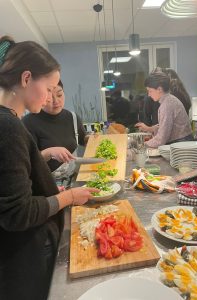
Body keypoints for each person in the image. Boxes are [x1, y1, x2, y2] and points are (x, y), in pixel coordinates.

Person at [0, 36, 98, 300]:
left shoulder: (11, 122)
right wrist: (68, 197)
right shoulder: (8, 127)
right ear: (26, 79)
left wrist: (49, 188)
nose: (49, 99)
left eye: (58, 90)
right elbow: (17, 214)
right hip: (24, 255)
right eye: (49, 87)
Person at [23, 80, 86, 173]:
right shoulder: (28, 122)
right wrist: (49, 152)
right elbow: (26, 161)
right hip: (45, 181)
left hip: (72, 176)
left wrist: (91, 139)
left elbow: (82, 140)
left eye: (59, 95)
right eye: (49, 97)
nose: (56, 101)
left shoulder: (72, 117)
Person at [141, 72, 193, 148]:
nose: (149, 94)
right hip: (181, 143)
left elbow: (161, 139)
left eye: (150, 91)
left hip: (181, 145)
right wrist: (151, 129)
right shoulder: (168, 100)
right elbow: (166, 126)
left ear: (159, 89)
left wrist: (141, 145)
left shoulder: (167, 105)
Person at [135, 67, 191, 132]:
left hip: (174, 138)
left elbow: (164, 130)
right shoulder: (181, 93)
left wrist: (149, 129)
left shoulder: (168, 99)